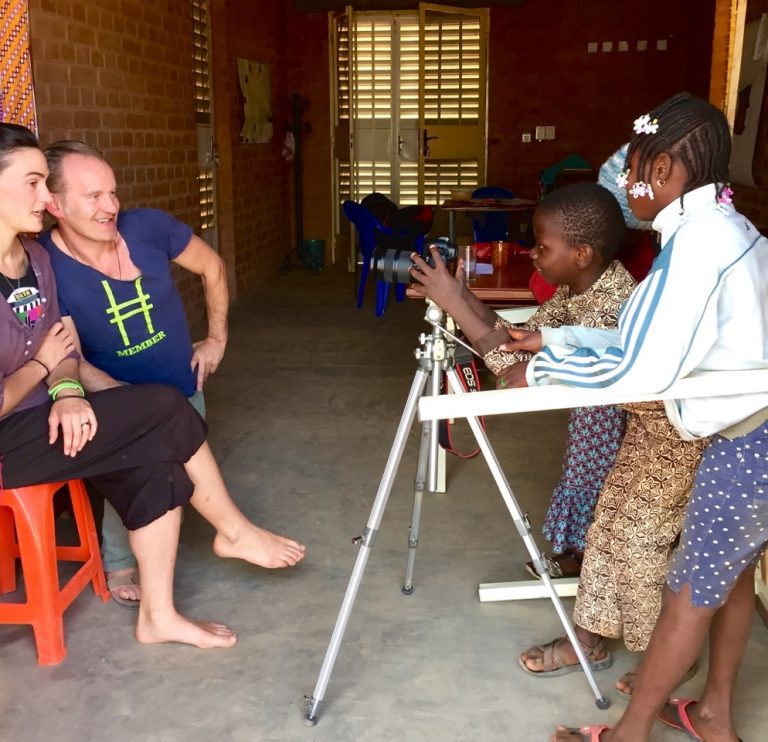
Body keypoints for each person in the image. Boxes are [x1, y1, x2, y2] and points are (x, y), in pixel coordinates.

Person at [500, 93, 767, 742]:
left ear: (670, 168)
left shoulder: (699, 247)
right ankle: (713, 716)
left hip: (747, 443)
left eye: (635, 167)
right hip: (750, 429)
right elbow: (642, 338)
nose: (622, 183)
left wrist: (541, 371)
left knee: (689, 593)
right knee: (730, 582)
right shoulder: (720, 230)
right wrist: (557, 342)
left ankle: (629, 734)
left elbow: (644, 370)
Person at [0, 122, 305, 650]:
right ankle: (233, 531)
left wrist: (66, 388)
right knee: (164, 407)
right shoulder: (50, 258)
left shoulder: (34, 264)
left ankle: (158, 617)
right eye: (33, 183)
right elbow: (51, 356)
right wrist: (44, 371)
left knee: (159, 465)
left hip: (46, 418)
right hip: (12, 436)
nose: (43, 195)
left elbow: (63, 352)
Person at [512, 148, 707, 699]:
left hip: (673, 427)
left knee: (639, 543)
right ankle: (590, 637)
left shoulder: (696, 252)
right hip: (641, 425)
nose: (634, 194)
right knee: (606, 532)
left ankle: (665, 660)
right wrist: (534, 341)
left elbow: (621, 361)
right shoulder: (668, 250)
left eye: (639, 181)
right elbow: (564, 333)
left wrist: (530, 355)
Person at [410, 182, 635, 581]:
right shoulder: (584, 284)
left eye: (542, 247)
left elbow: (513, 370)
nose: (532, 254)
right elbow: (521, 337)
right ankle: (580, 553)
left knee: (595, 485)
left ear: (581, 254)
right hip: (593, 416)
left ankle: (588, 560)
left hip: (616, 423)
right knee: (584, 478)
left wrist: (454, 305)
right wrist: (463, 296)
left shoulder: (608, 306)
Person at [37, 140, 228, 607]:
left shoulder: (149, 228)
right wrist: (134, 401)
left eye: (113, 193)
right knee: (138, 474)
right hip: (111, 396)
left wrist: (216, 338)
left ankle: (208, 541)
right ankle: (120, 560)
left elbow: (212, 266)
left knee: (178, 480)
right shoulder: (46, 266)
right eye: (94, 196)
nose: (111, 207)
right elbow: (67, 355)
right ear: (55, 204)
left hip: (183, 385)